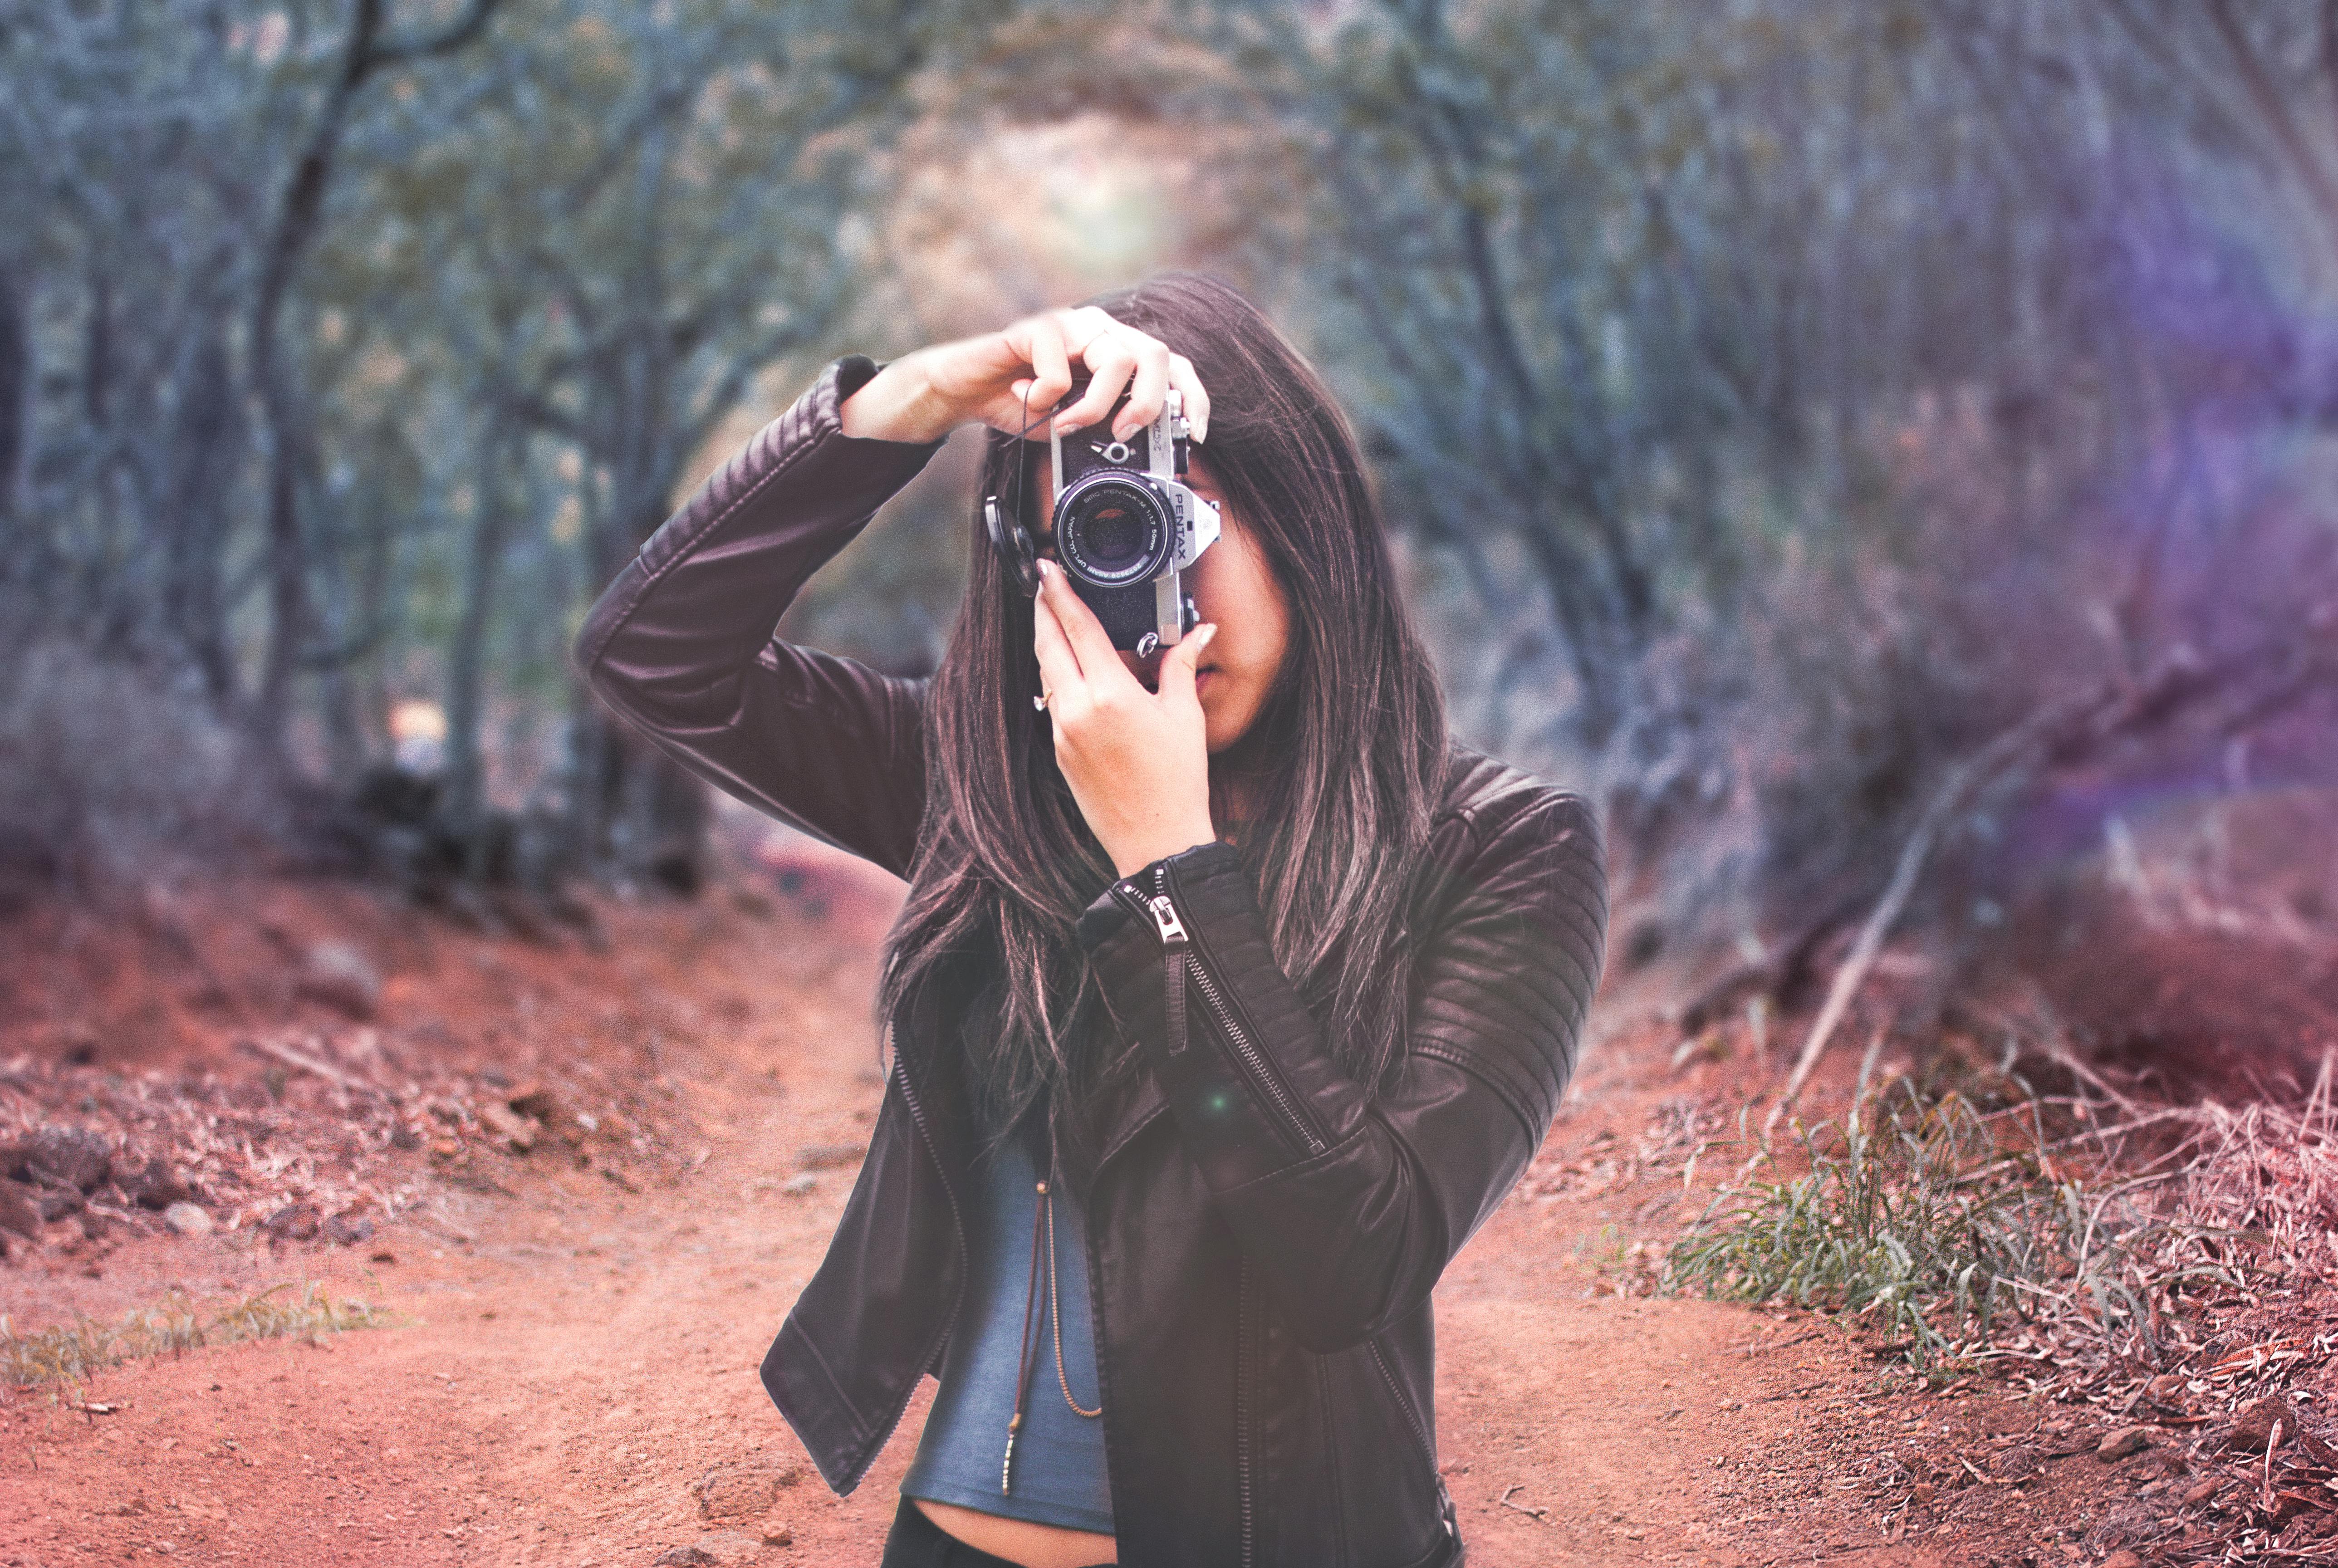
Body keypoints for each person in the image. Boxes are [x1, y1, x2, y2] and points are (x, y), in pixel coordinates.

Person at [573, 271, 1608, 1568]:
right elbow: (652, 652)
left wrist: (1170, 864)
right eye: (1105, 531)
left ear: (1311, 524)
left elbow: (1359, 1258)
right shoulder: (993, 789)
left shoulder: (1494, 850)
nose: (1159, 578)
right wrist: (913, 399)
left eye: (1190, 516)